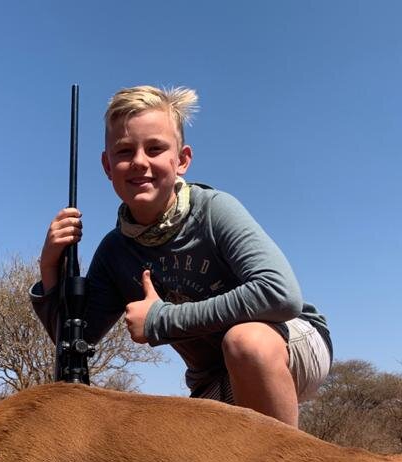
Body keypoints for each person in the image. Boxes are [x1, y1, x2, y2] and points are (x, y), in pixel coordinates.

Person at [30, 85, 331, 428]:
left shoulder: (214, 210)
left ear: (182, 159)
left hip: (292, 345)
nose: (140, 161)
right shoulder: (115, 251)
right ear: (107, 165)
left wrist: (162, 320)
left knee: (246, 342)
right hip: (214, 379)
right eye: (125, 151)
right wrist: (50, 267)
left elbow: (281, 294)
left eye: (155, 148)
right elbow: (72, 340)